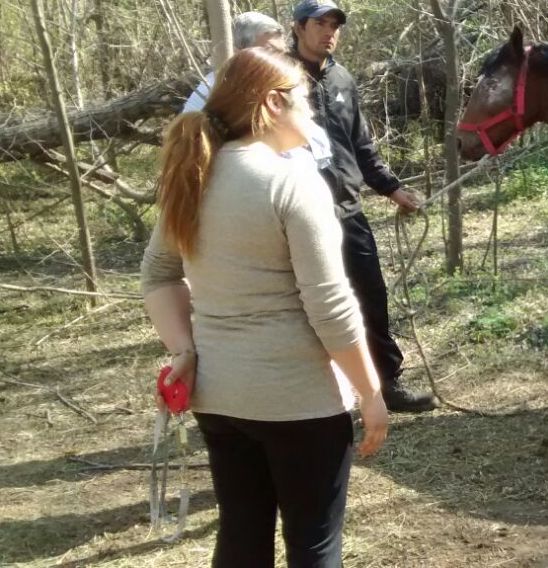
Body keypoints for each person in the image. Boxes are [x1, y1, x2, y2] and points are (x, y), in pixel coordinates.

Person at [141, 48, 388, 567]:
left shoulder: (193, 177)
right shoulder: (290, 181)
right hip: (299, 399)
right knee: (313, 545)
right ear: (274, 103)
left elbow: (157, 274)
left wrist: (184, 348)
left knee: (242, 536)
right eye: (303, 99)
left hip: (220, 397)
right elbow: (329, 305)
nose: (312, 113)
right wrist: (369, 392)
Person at [288, 0, 433, 413]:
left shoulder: (342, 80)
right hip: (297, 214)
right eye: (320, 25)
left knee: (371, 296)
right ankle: (319, 398)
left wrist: (392, 189)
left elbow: (362, 147)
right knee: (308, 307)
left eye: (334, 26)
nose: (329, 33)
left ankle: (387, 385)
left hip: (348, 211)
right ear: (298, 27)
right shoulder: (279, 78)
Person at [182, 11, 333, 168]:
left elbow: (317, 144)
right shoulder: (215, 91)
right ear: (236, 52)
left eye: (281, 54)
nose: (277, 62)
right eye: (268, 52)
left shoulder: (273, 88)